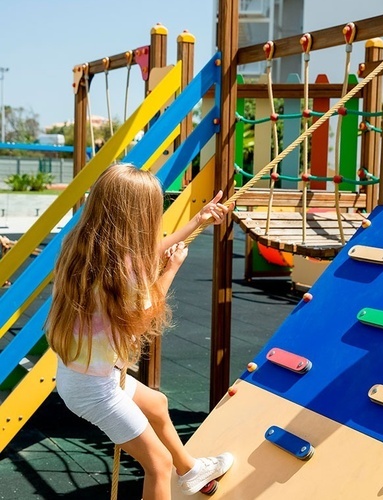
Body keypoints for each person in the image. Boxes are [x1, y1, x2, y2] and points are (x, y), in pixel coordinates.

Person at [45, 163, 234, 499]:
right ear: (140, 215)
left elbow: (145, 255)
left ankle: (190, 469)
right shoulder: (125, 270)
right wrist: (172, 268)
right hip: (97, 391)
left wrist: (197, 222)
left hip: (78, 376)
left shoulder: (82, 245)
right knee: (158, 465)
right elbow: (142, 322)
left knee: (158, 404)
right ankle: (179, 468)